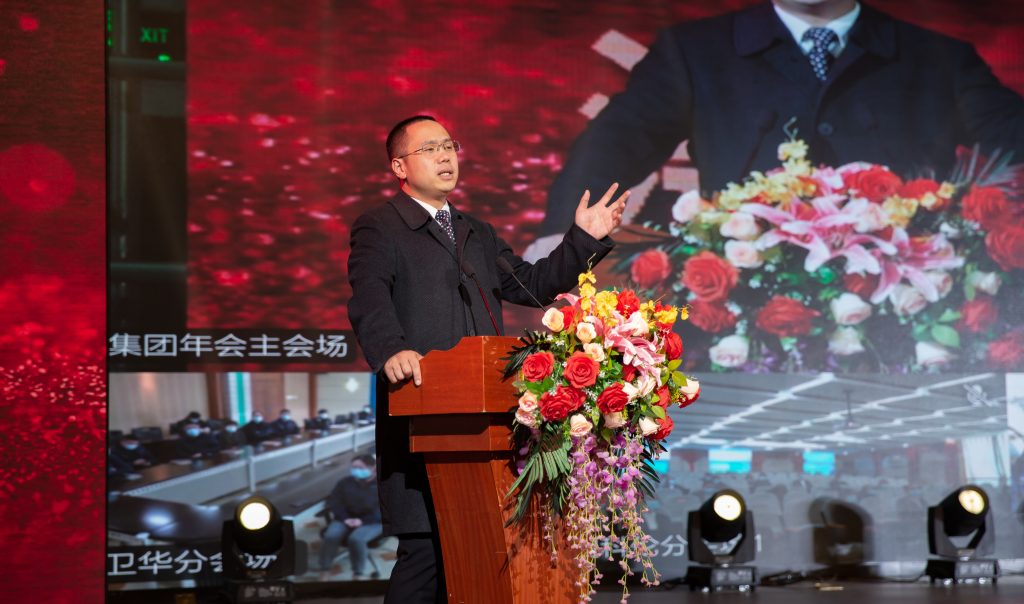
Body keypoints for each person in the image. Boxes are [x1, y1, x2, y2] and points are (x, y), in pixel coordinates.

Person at [347, 115, 628, 603]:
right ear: (399, 166)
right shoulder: (382, 225)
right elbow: (369, 296)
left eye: (449, 146)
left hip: (486, 419)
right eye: (429, 149)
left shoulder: (476, 231)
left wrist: (583, 239)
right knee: (426, 552)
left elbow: (532, 286)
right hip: (422, 407)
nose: (444, 156)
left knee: (482, 555)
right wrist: (391, 349)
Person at [536, 0, 1024, 240]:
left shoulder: (939, 59)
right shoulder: (695, 52)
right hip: (741, 297)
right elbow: (616, 144)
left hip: (912, 303)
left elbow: (1012, 138)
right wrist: (565, 237)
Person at [318, 454, 383, 578]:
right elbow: (334, 502)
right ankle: (324, 568)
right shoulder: (345, 482)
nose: (356, 471)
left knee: (356, 539)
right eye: (354, 467)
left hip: (373, 521)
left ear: (373, 468)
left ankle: (357, 573)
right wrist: (345, 518)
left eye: (360, 468)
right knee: (331, 536)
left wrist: (362, 521)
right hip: (346, 517)